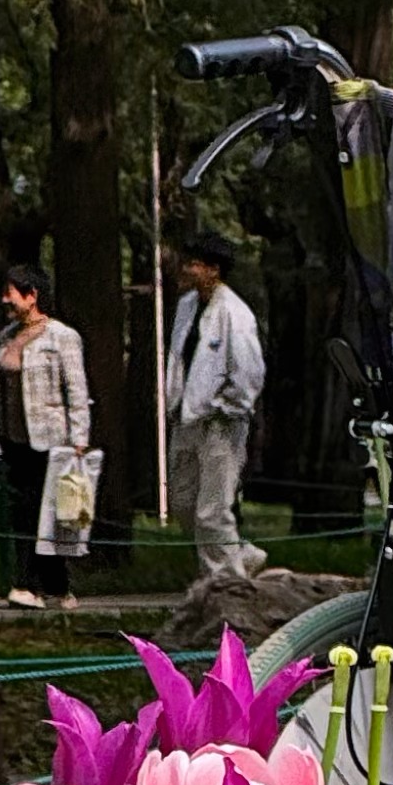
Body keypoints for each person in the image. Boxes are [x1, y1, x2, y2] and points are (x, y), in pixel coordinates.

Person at [164, 231, 267, 583]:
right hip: (186, 417)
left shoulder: (235, 314)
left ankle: (224, 584)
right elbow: (179, 359)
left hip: (221, 423)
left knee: (212, 510)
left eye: (193, 264)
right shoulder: (187, 306)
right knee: (183, 502)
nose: (186, 270)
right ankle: (241, 554)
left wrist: (227, 406)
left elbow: (250, 370)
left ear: (213, 269)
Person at [0, 259, 89, 609]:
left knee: (43, 512)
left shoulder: (61, 337)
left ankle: (29, 585)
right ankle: (54, 586)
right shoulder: (6, 338)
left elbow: (76, 390)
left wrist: (79, 438)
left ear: (31, 295)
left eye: (10, 293)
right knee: (26, 511)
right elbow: (2, 394)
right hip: (15, 441)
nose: (5, 300)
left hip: (50, 441)